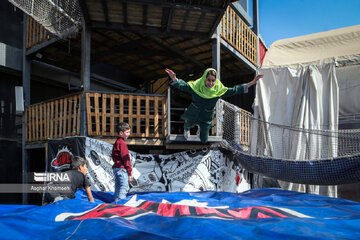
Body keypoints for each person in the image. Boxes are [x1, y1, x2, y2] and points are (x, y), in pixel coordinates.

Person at [165, 68, 263, 143]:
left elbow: (234, 90)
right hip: (194, 112)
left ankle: (200, 128)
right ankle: (187, 129)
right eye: (209, 80)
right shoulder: (196, 87)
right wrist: (175, 79)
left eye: (213, 80)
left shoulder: (218, 91)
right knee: (188, 124)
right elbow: (184, 86)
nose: (211, 83)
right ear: (204, 79)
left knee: (204, 139)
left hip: (206, 116)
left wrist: (252, 82)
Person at [112, 122, 132, 202]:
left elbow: (114, 156)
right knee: (123, 190)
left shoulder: (117, 142)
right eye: (127, 132)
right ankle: (121, 208)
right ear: (121, 133)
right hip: (122, 169)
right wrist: (129, 173)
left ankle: (116, 207)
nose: (129, 134)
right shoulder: (122, 143)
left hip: (116, 169)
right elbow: (126, 159)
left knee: (117, 190)